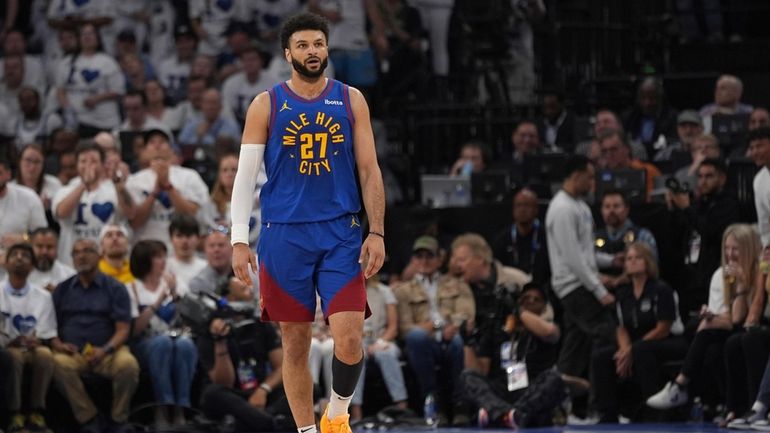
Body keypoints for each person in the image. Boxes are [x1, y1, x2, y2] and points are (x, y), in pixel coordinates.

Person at [230, 12, 386, 433]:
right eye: (302, 45)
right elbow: (245, 177)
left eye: (317, 43)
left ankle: (336, 414)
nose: (311, 51)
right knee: (295, 343)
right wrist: (239, 239)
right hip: (284, 234)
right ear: (288, 53)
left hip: (341, 231)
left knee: (350, 339)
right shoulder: (266, 104)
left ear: (326, 48)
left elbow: (370, 170)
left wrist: (377, 231)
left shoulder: (351, 99)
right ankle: (307, 430)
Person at [647, 224, 761, 413]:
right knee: (712, 349)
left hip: (750, 326)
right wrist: (711, 317)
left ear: (748, 249)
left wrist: (741, 286)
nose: (730, 254)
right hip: (728, 329)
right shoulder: (720, 275)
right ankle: (724, 407)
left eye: (736, 249)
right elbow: (727, 319)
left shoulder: (759, 273)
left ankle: (680, 385)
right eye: (726, 248)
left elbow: (739, 318)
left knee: (710, 334)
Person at [591, 242, 687, 423]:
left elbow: (663, 328)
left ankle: (652, 410)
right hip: (637, 342)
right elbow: (620, 327)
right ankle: (608, 413)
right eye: (628, 259)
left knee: (643, 350)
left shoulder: (661, 289)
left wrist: (632, 349)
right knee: (601, 356)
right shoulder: (623, 293)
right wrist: (625, 349)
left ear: (648, 262)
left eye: (638, 258)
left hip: (668, 340)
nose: (632, 262)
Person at [51, 238, 139, 433]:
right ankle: (89, 418)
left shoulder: (115, 288)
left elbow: (124, 329)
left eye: (87, 251)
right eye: (77, 252)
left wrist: (106, 349)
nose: (82, 255)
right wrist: (58, 344)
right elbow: (50, 327)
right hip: (73, 352)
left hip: (109, 350)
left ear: (99, 255)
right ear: (72, 259)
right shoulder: (62, 290)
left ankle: (119, 420)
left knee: (128, 365)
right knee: (57, 363)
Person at [460, 282, 571, 429]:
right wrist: (467, 342)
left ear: (544, 307)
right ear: (519, 301)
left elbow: (550, 333)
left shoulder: (547, 327)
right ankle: (509, 415)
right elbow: (479, 370)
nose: (530, 301)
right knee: (467, 376)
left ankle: (504, 415)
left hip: (530, 390)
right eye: (525, 298)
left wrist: (519, 311)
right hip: (501, 389)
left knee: (554, 378)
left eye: (536, 299)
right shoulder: (497, 330)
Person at [545, 155, 615, 381]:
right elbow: (573, 258)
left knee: (574, 349)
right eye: (590, 177)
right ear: (576, 177)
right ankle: (600, 404)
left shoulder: (581, 206)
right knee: (607, 337)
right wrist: (599, 290)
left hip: (579, 284)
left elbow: (586, 252)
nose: (593, 182)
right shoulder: (563, 209)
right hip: (575, 288)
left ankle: (565, 408)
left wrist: (612, 261)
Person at [394, 235, 474, 425]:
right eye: (419, 257)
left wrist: (451, 327)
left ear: (440, 259)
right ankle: (434, 402)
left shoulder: (457, 284)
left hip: (451, 337)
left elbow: (466, 315)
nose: (424, 261)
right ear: (413, 261)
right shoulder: (403, 291)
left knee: (456, 340)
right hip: (424, 343)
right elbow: (405, 328)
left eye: (429, 256)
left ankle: (459, 405)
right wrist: (437, 327)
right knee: (416, 337)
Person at [198, 276, 293, 432]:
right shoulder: (211, 330)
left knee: (307, 387)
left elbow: (282, 367)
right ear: (229, 297)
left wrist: (263, 390)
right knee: (212, 394)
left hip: (260, 391)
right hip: (232, 395)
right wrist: (220, 342)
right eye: (244, 289)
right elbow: (223, 382)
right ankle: (271, 424)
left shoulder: (260, 324)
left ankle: (256, 421)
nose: (250, 292)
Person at [127, 240, 196, 427]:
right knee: (163, 343)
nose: (163, 260)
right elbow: (135, 330)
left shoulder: (177, 283)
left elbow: (189, 319)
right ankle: (163, 406)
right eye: (157, 256)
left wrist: (174, 293)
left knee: (185, 344)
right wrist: (159, 300)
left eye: (164, 255)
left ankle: (181, 408)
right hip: (146, 343)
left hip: (175, 337)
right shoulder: (132, 288)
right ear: (144, 260)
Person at [667, 158, 740, 314]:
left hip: (712, 274)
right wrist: (675, 209)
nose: (703, 181)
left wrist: (686, 208)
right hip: (690, 275)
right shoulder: (697, 204)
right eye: (700, 177)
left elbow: (711, 231)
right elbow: (676, 234)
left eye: (709, 176)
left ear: (722, 178)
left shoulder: (729, 204)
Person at [0, 243, 57, 433]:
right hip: (8, 346)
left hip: (34, 345)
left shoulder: (43, 296)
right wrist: (11, 341)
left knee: (45, 356)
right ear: (5, 264)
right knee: (13, 357)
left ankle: (36, 412)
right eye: (14, 254)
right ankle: (14, 413)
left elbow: (46, 330)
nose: (19, 258)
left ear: (32, 266)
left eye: (25, 255)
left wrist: (37, 340)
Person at [52, 143, 134, 266]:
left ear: (102, 165)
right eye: (83, 161)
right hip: (71, 261)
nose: (88, 166)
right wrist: (84, 184)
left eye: (94, 161)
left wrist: (119, 186)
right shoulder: (65, 190)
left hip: (107, 263)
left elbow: (131, 213)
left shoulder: (114, 189)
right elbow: (62, 213)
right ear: (77, 165)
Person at [594, 190, 658, 282]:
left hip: (633, 290)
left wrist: (619, 280)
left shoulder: (642, 235)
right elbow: (585, 264)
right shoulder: (593, 236)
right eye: (607, 207)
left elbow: (652, 266)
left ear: (626, 209)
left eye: (616, 206)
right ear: (601, 210)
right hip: (601, 290)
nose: (611, 211)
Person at [491, 188, 550, 283]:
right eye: (518, 205)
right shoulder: (502, 239)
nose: (522, 209)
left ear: (536, 210)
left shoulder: (547, 236)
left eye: (527, 205)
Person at [27, 227, 76, 292]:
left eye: (49, 247)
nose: (44, 252)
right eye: (39, 246)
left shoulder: (70, 276)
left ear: (57, 249)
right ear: (31, 248)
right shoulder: (20, 274)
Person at [166, 213, 207, 285]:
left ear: (198, 238)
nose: (184, 241)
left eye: (189, 235)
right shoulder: (163, 267)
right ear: (171, 238)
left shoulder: (206, 268)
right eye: (179, 236)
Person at [749, 127, 770, 246]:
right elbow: (764, 228)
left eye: (760, 146)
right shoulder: (758, 180)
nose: (755, 152)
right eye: (752, 148)